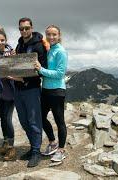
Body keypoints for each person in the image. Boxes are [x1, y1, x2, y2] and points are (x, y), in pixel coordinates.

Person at [9, 17, 47, 167]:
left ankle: (36, 152)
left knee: (34, 121)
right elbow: (18, 65)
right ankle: (33, 147)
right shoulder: (19, 45)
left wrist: (23, 79)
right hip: (18, 90)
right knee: (24, 121)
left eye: (26, 28)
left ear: (31, 28)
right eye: (21, 28)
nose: (24, 31)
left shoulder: (38, 46)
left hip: (31, 89)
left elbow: (41, 69)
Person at [34, 24, 68, 162]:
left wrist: (41, 70)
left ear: (59, 36)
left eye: (54, 34)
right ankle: (53, 143)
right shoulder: (49, 50)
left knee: (59, 121)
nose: (51, 37)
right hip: (46, 90)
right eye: (49, 34)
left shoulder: (60, 51)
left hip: (57, 90)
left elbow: (60, 74)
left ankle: (61, 150)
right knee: (41, 117)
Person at [0, 28, 16, 161]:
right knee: (2, 119)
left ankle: (11, 147)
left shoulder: (11, 53)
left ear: (6, 41)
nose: (0, 42)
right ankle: (6, 143)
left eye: (2, 40)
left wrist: (12, 57)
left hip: (10, 92)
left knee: (7, 119)